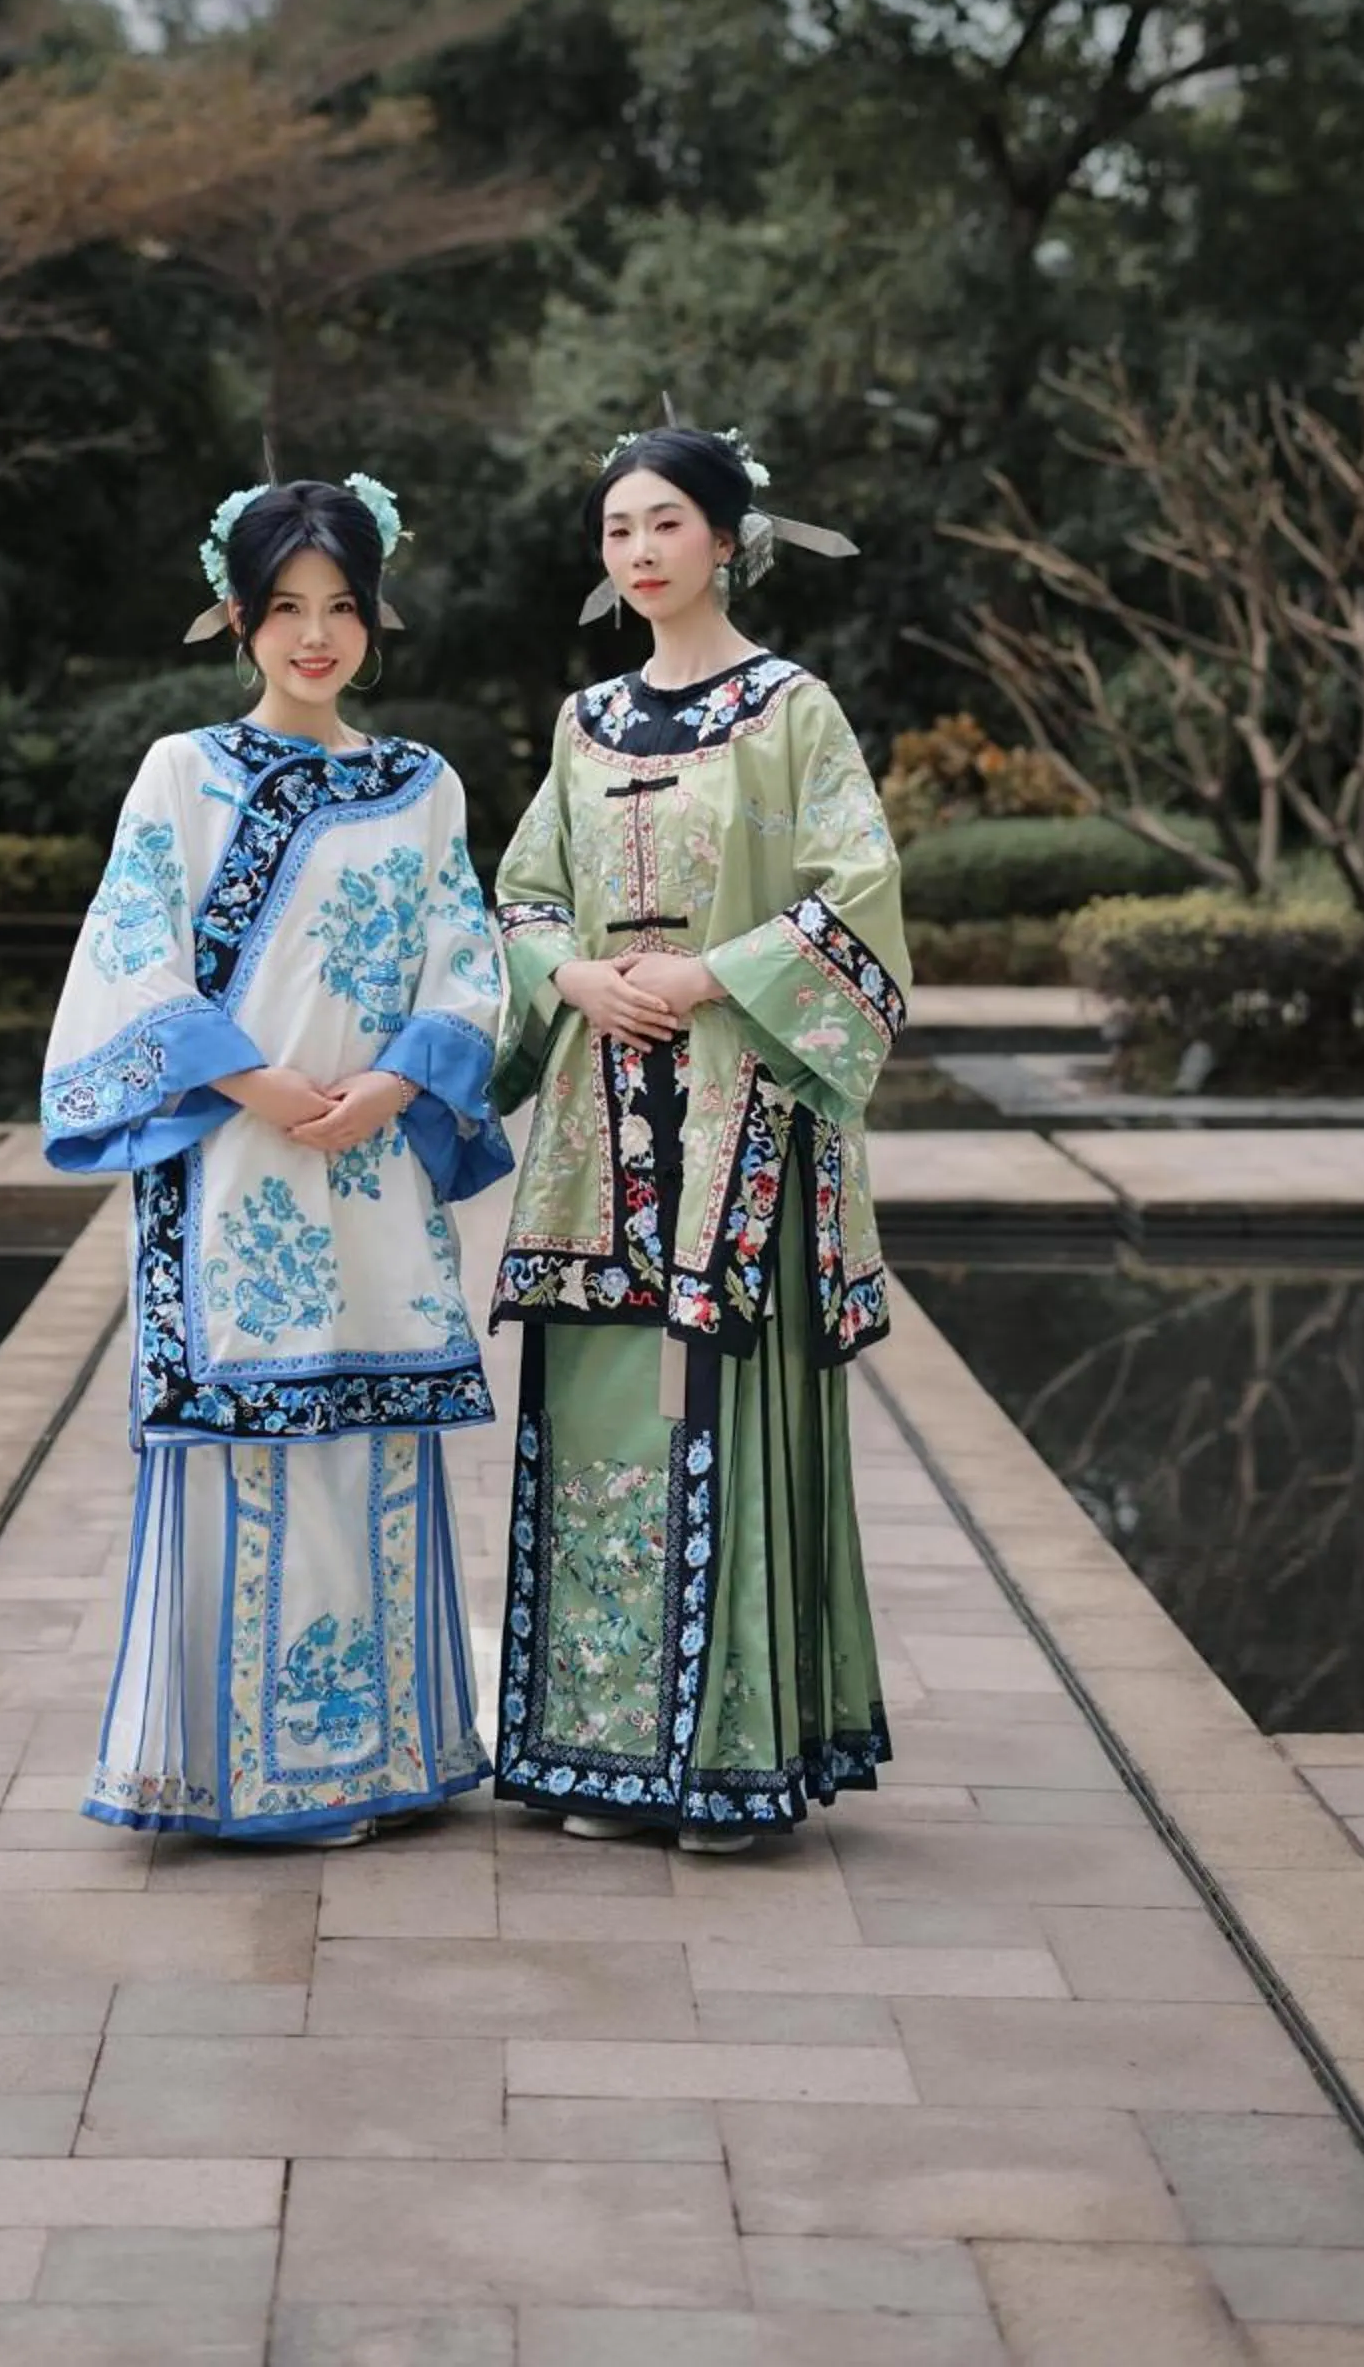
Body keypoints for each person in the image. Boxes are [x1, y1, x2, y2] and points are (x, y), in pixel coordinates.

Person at [41, 472, 512, 1844]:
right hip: (232, 1166)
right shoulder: (183, 774)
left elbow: (465, 962)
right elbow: (132, 958)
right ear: (238, 618)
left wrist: (388, 1086)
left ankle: (374, 1763)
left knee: (366, 1441)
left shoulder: (422, 785)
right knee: (249, 1454)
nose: (317, 636)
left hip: (367, 1168)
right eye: (287, 609)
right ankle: (226, 1777)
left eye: (342, 609)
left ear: (376, 619)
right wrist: (254, 1080)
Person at [489, 422, 908, 1852]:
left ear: (727, 539)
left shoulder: (792, 711)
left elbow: (858, 891)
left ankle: (729, 1761)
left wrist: (710, 976)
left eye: (666, 523)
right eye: (618, 531)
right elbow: (527, 890)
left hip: (745, 1121)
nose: (641, 551)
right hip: (602, 1132)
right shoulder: (583, 723)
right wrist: (577, 979)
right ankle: (603, 1755)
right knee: (603, 1415)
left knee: (719, 1412)